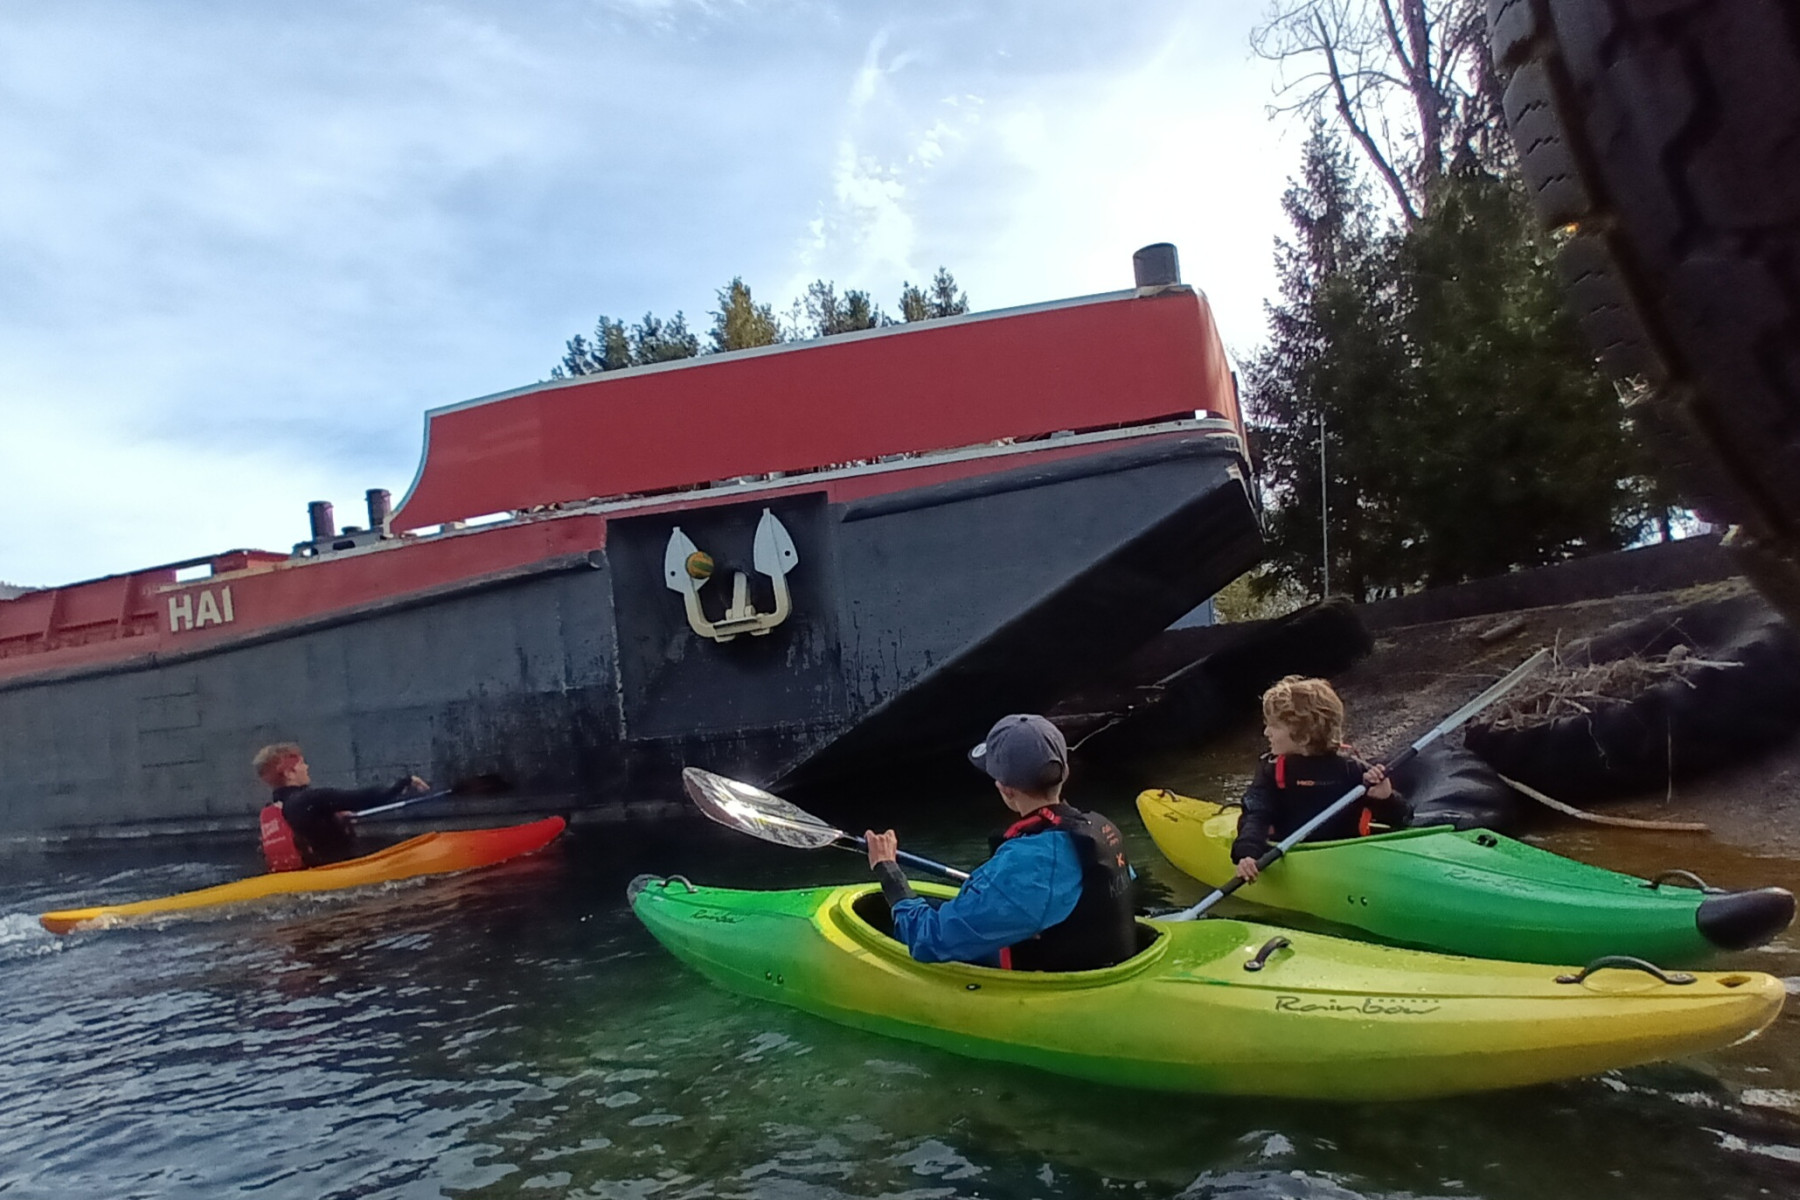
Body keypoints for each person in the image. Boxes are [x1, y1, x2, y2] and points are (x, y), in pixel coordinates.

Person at [863, 713, 1136, 971]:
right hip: (1106, 958)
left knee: (889, 924)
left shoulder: (1027, 863)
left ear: (1004, 788)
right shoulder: (1100, 828)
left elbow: (928, 940)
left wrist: (888, 870)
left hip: (1056, 983)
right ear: (1063, 773)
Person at [1232, 676, 1402, 882]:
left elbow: (1403, 818)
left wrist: (1385, 798)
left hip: (1351, 861)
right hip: (1293, 855)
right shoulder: (1273, 772)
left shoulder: (1353, 770)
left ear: (1303, 737)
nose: (1266, 732)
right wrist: (1247, 853)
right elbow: (1257, 814)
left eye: (1273, 726)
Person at [252, 743, 429, 870]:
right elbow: (363, 798)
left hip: (304, 876)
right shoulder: (310, 799)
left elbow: (308, 828)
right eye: (301, 763)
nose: (306, 767)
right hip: (336, 872)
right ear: (289, 773)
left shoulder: (274, 809)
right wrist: (404, 782)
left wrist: (331, 818)